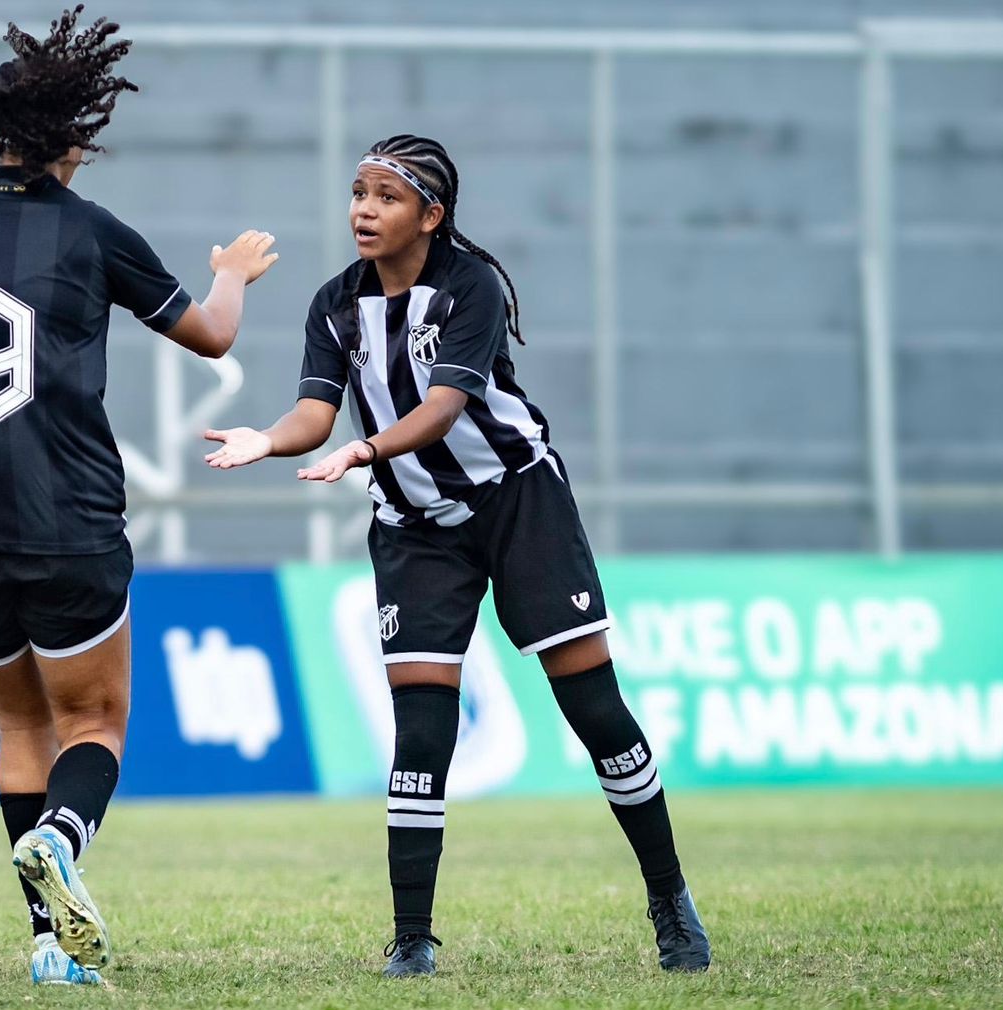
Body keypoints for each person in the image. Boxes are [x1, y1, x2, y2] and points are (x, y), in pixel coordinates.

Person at [203, 135, 709, 978]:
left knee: (595, 711)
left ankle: (670, 901)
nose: (363, 210)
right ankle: (412, 940)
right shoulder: (335, 304)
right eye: (357, 193)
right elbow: (314, 415)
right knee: (423, 731)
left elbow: (440, 411)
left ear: (431, 217)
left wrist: (364, 453)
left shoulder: (467, 288)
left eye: (386, 198)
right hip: (414, 523)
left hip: (518, 501)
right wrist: (267, 437)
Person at [0, 7, 277, 987]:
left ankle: (45, 945)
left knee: (20, 726)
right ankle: (63, 834)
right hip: (61, 509)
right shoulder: (92, 231)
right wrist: (230, 275)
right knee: (94, 723)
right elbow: (211, 336)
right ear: (80, 139)